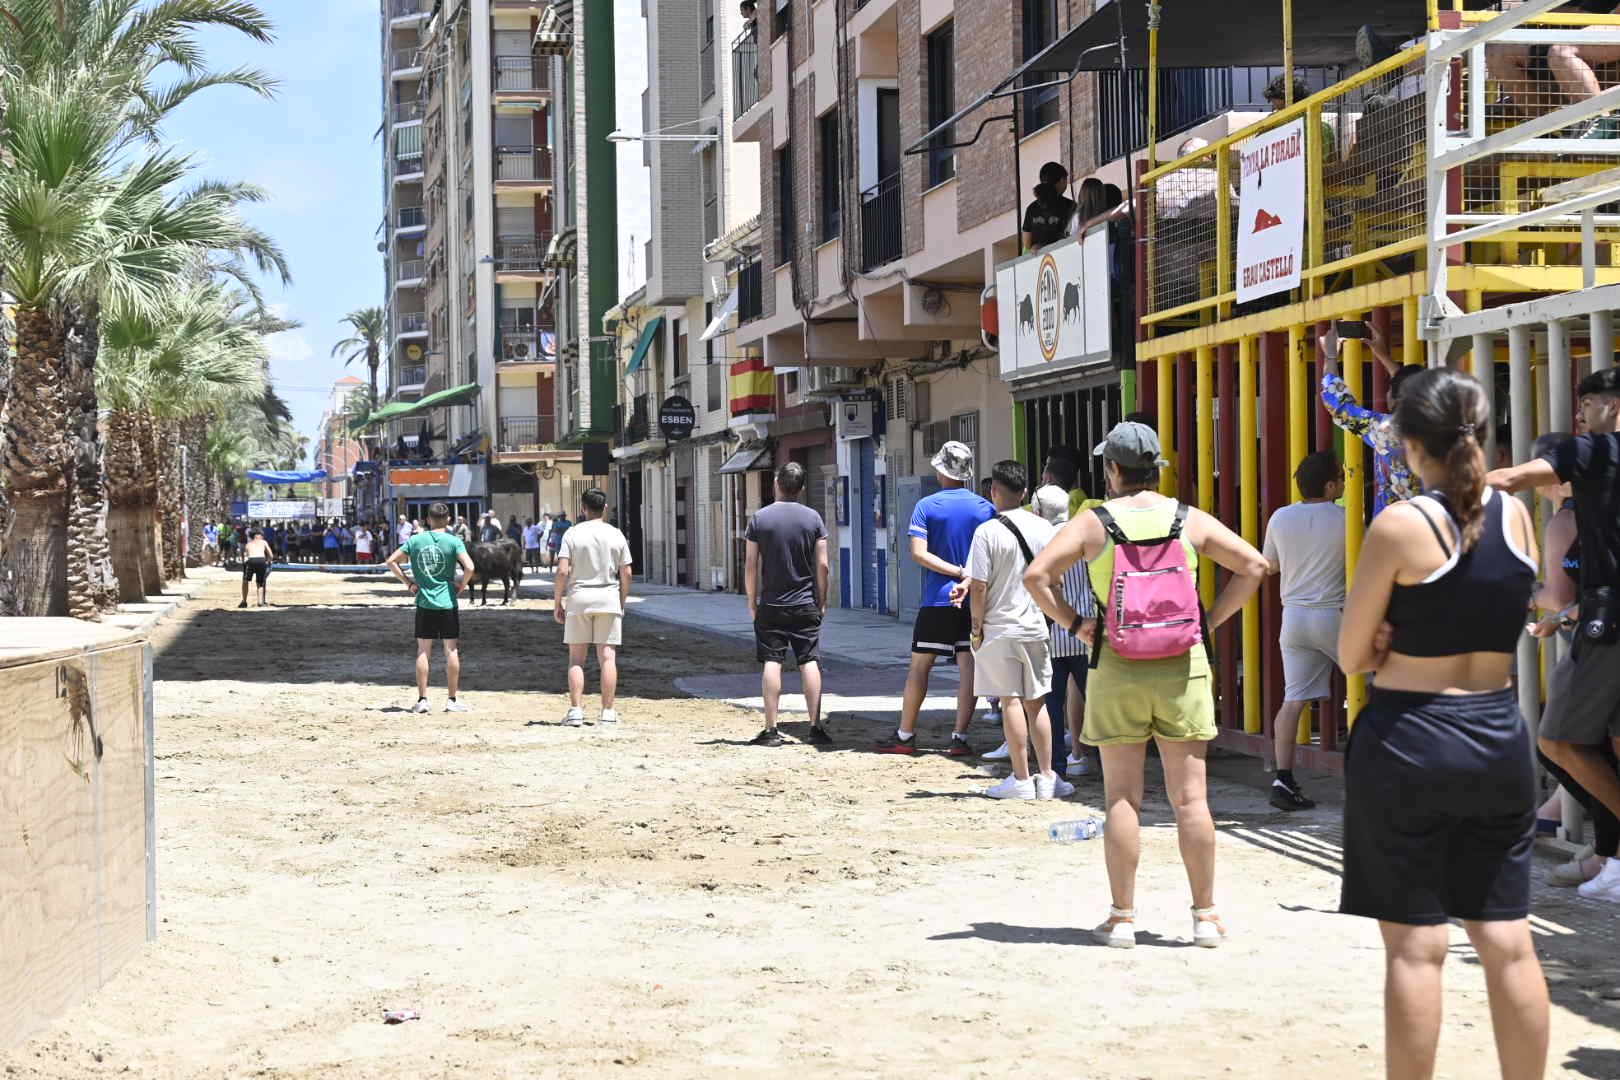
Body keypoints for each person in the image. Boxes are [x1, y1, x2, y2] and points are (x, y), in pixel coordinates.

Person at [1336, 367, 1547, 1080]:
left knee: (1417, 948)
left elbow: (1351, 653)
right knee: (1509, 941)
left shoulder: (1400, 525)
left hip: (1410, 739)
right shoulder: (1518, 517)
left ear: (1406, 440)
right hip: (1498, 734)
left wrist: (1388, 636)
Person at [1026, 421, 1269, 949]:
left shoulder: (1095, 523)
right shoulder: (1188, 519)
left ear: (1111, 469)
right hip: (1184, 666)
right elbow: (1254, 565)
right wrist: (1211, 621)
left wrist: (1074, 623)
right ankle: (1205, 917)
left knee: (1122, 797)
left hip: (1115, 664)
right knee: (1191, 799)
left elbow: (1036, 577)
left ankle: (1122, 918)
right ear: (1154, 468)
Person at [1487, 366, 1620, 901]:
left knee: (1557, 739)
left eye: (1586, 404)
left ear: (1610, 407)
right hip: (1598, 618)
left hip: (1606, 622)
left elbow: (1508, 479)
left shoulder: (1590, 450)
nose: (1580, 415)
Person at [875, 441, 995, 756]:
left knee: (920, 666)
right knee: (968, 665)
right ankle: (960, 738)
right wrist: (969, 575)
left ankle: (905, 734)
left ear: (940, 468)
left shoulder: (926, 506)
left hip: (938, 599)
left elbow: (919, 554)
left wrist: (955, 571)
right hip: (975, 600)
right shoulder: (985, 508)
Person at [960, 460, 1071, 800]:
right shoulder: (1044, 529)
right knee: (1038, 703)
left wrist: (976, 629)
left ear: (994, 490)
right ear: (1025, 492)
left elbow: (978, 587)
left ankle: (1021, 778)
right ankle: (1050, 776)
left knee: (1011, 700)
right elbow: (1058, 580)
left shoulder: (987, 532)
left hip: (999, 626)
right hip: (1036, 625)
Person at [1259, 451, 1346, 812]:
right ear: (1329, 485)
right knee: (1374, 685)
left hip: (1293, 617)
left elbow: (1271, 565)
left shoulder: (1280, 517)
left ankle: (1282, 777)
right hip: (1334, 615)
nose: (1344, 483)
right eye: (1341, 478)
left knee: (1292, 700)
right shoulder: (1347, 518)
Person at [744, 462, 832, 747]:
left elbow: (750, 566)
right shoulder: (813, 519)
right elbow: (823, 565)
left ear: (777, 483)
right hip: (805, 602)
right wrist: (822, 600)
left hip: (772, 603)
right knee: (809, 661)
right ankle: (816, 727)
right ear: (802, 489)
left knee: (772, 662)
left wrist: (752, 600)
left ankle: (771, 729)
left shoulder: (759, 519)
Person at [1321, 320, 1423, 515]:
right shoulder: (1448, 425)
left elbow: (1338, 405)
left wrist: (1331, 356)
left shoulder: (1388, 430)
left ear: (1394, 397)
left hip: (1396, 529)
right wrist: (1384, 357)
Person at [385, 501, 476, 714]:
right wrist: (461, 586)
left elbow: (391, 561)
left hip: (424, 601)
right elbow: (470, 566)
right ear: (449, 520)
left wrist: (409, 583)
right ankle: (452, 700)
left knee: (423, 651)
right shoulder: (454, 541)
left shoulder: (416, 540)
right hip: (447, 602)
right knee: (451, 650)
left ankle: (423, 699)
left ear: (427, 520)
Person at [554, 489, 633, 726]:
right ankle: (608, 711)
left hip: (579, 598)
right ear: (605, 507)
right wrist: (622, 600)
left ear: (582, 508)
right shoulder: (616, 534)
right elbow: (627, 571)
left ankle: (576, 710)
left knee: (576, 658)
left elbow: (562, 571)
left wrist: (557, 600)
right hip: (608, 596)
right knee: (607, 657)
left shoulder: (572, 533)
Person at [1021, 161, 1076, 252]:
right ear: (1062, 180)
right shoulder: (1070, 206)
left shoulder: (1031, 208)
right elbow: (1074, 232)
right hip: (1066, 254)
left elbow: (1027, 243)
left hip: (1038, 260)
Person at [239, 530, 273, 609]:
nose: (262, 536)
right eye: (261, 535)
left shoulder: (248, 544)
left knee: (245, 581)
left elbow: (246, 555)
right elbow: (270, 555)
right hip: (261, 560)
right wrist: (267, 561)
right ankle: (260, 602)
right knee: (260, 582)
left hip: (251, 560)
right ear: (257, 535)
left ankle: (244, 601)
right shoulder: (264, 542)